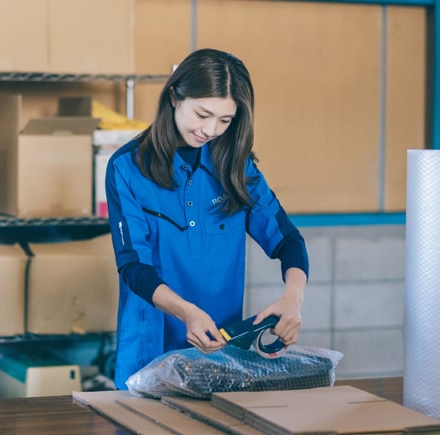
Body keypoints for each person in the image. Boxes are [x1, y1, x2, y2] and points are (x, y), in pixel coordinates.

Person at [105, 48, 309, 389]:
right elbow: (132, 267)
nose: (211, 129)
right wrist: (187, 312)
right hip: (147, 354)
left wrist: (293, 298)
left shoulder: (235, 165)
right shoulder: (127, 168)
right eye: (202, 114)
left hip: (221, 349)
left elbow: (287, 239)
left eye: (225, 120)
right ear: (174, 96)